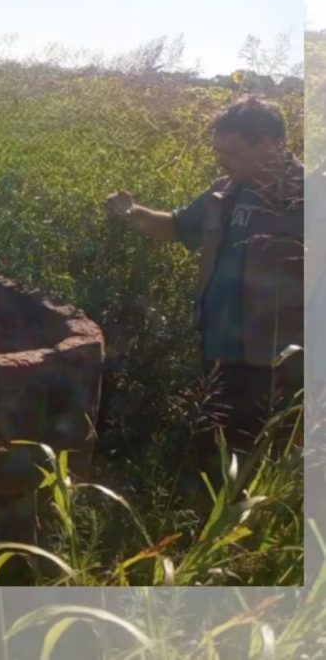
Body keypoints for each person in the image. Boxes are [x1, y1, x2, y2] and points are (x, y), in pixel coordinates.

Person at [105, 96, 303, 453]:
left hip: (280, 364)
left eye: (231, 153)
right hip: (220, 350)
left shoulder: (310, 199)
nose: (222, 162)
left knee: (270, 455)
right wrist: (132, 212)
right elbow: (178, 227)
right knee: (213, 450)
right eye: (218, 153)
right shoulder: (222, 194)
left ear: (269, 144)